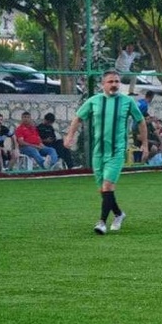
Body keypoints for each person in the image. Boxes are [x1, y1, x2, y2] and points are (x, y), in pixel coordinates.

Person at [64, 70, 147, 235]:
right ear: (103, 84)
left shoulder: (127, 101)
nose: (115, 84)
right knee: (103, 190)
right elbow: (78, 118)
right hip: (98, 152)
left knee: (108, 185)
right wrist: (69, 136)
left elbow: (141, 121)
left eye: (117, 81)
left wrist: (144, 143)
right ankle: (118, 214)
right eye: (110, 81)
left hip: (116, 152)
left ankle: (101, 222)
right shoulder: (94, 101)